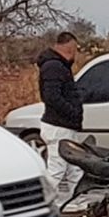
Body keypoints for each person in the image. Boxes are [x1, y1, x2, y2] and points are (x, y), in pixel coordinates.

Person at [36, 32, 85, 207]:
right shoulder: (54, 67)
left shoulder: (57, 66)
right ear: (71, 48)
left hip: (65, 126)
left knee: (75, 168)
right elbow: (52, 97)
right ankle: (44, 206)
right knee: (57, 169)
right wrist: (72, 111)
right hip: (59, 126)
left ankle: (75, 204)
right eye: (75, 50)